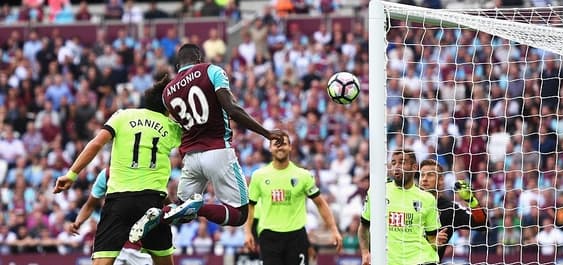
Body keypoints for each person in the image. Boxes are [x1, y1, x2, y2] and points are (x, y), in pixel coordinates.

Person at [130, 43, 285, 243]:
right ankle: (198, 207)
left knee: (180, 211)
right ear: (198, 58)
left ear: (178, 65)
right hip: (218, 150)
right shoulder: (211, 70)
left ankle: (158, 213)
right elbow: (232, 109)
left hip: (191, 157)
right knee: (239, 214)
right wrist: (266, 132)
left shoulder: (167, 92)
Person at [54, 75, 181, 265]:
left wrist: (71, 174)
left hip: (119, 200)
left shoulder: (122, 116)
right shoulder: (172, 127)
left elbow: (96, 143)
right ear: (167, 107)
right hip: (152, 200)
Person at [243, 131, 342, 265]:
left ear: (290, 147)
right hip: (269, 237)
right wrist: (248, 232)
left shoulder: (303, 175)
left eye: (283, 144)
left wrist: (334, 230)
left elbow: (320, 203)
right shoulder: (259, 176)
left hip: (296, 237)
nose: (280, 147)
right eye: (275, 144)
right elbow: (250, 206)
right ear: (270, 148)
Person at [358, 149, 448, 265]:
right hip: (389, 261)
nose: (397, 167)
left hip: (421, 260)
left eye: (402, 162)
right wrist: (365, 253)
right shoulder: (378, 191)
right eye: (394, 163)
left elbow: (431, 238)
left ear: (414, 167)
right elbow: (364, 227)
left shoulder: (427, 199)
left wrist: (437, 242)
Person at [70, 169, 153, 265]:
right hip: (113, 246)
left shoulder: (147, 172)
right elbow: (90, 204)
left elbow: (163, 201)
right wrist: (78, 221)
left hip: (141, 249)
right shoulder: (106, 174)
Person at [418, 159, 487, 260]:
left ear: (441, 180)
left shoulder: (450, 209)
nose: (424, 179)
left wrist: (471, 200)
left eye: (430, 175)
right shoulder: (407, 202)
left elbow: (482, 223)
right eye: (422, 175)